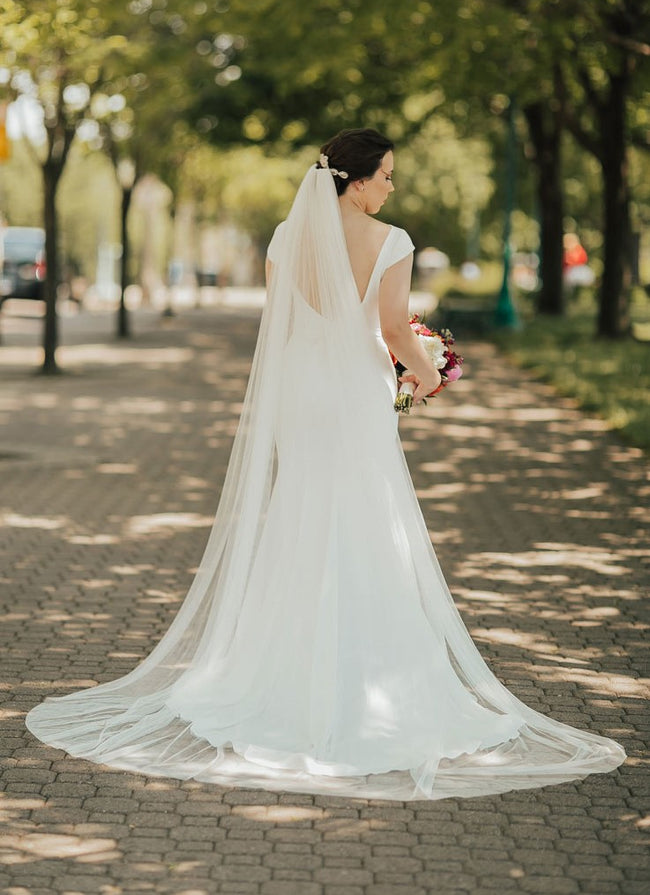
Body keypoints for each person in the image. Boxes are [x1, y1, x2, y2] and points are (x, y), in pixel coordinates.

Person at [26, 129, 625, 801]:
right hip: (355, 395)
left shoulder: (288, 238)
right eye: (388, 176)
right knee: (367, 518)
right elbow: (395, 329)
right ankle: (369, 679)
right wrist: (430, 375)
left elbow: (277, 329)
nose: (393, 187)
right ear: (358, 180)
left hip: (302, 392)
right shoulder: (390, 242)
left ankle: (278, 671)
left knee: (303, 513)